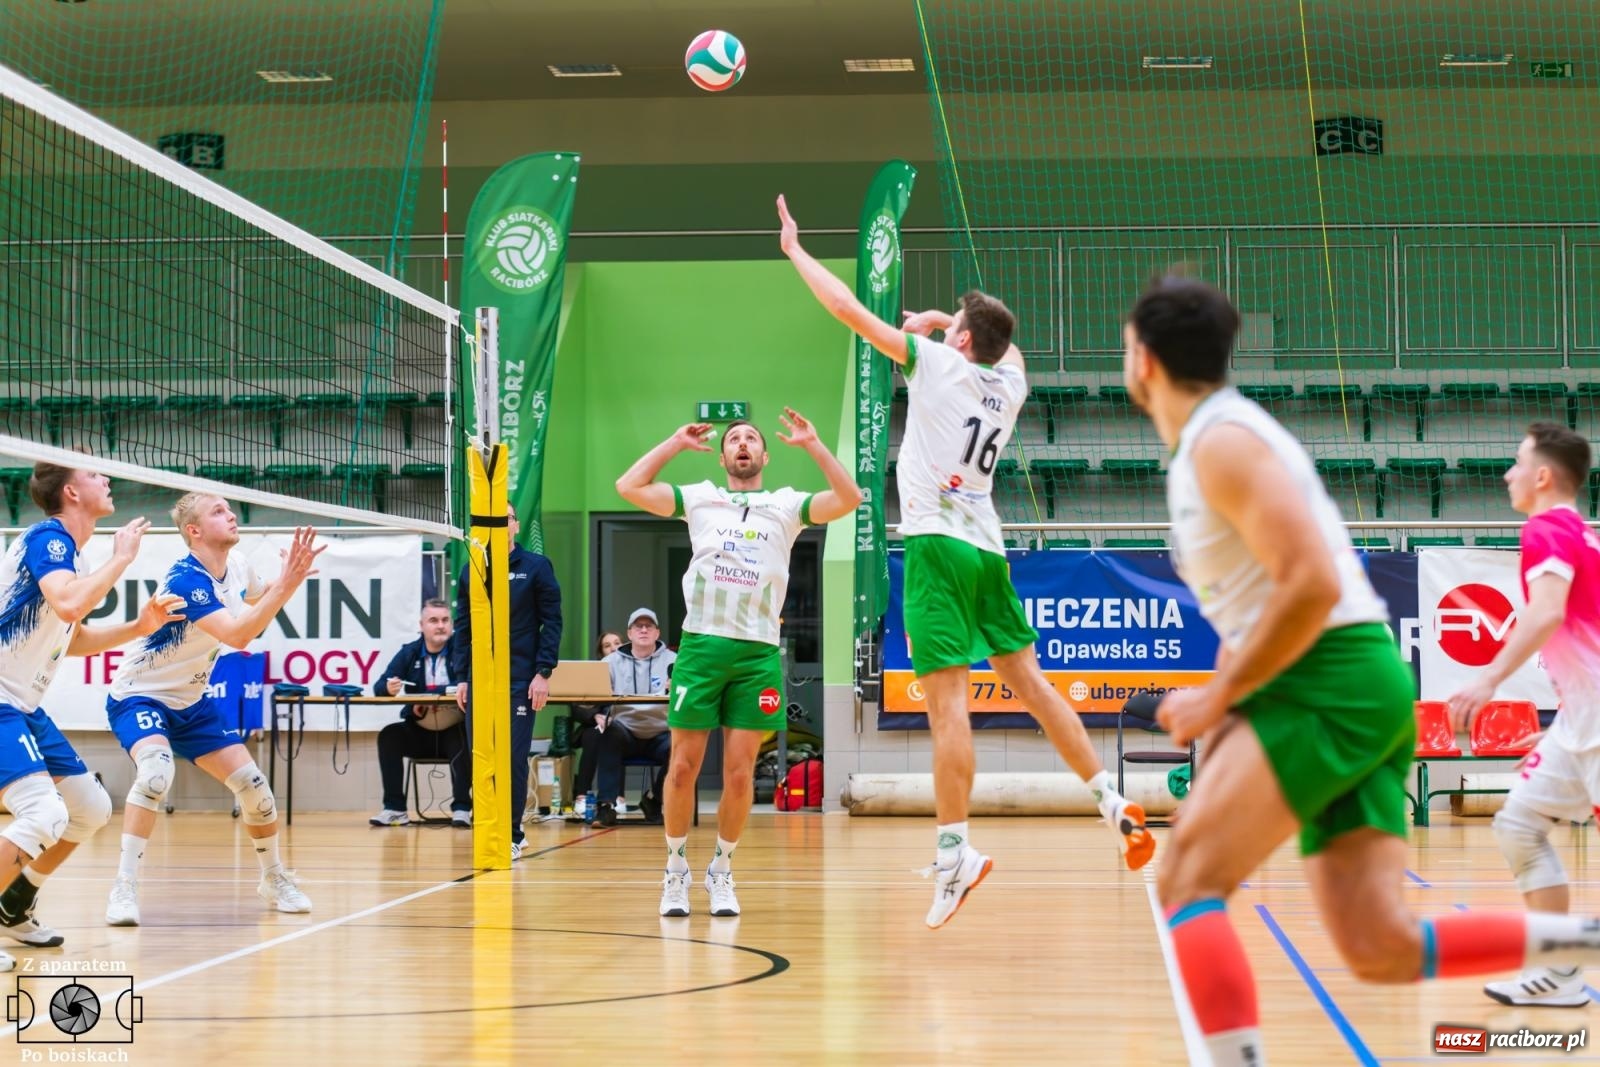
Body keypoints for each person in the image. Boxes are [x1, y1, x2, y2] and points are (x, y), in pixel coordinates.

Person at [1121, 273, 1600, 1065]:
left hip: (1326, 679)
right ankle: (1581, 940)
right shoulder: (1213, 442)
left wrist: (1219, 696)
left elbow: (1308, 582)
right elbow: (1269, 593)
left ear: (1142, 359)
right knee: (1381, 946)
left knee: (1186, 880)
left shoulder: (1222, 441)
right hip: (1349, 680)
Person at [777, 194, 1153, 929]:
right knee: (1033, 685)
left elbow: (848, 308)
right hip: (988, 547)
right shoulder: (1007, 385)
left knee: (948, 704)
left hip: (938, 549)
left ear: (960, 340)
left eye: (954, 326)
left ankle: (956, 854)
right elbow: (1009, 348)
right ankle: (1109, 798)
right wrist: (951, 325)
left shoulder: (935, 366)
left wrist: (796, 250)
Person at [617, 407, 860, 918]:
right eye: (735, 440)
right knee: (682, 768)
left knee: (739, 773)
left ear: (765, 455)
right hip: (703, 647)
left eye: (751, 438)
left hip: (757, 654)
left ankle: (722, 870)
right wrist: (674, 443)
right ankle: (676, 869)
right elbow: (629, 485)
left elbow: (850, 499)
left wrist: (815, 444)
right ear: (725, 454)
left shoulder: (787, 505)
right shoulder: (700, 498)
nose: (743, 444)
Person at [104, 494, 323, 925]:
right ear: (195, 531)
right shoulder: (187, 580)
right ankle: (124, 886)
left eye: (229, 509)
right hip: (140, 694)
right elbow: (239, 636)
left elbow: (256, 613)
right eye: (219, 512)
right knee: (155, 774)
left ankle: (274, 877)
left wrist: (285, 583)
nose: (232, 515)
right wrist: (285, 585)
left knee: (255, 788)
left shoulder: (238, 565)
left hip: (191, 700)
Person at [0, 459, 181, 963]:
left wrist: (139, 625)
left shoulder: (72, 558)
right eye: (95, 474)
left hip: (22, 704)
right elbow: (68, 605)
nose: (107, 479)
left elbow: (73, 637)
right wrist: (121, 558)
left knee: (90, 810)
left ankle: (12, 905)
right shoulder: (50, 540)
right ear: (71, 492)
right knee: (42, 813)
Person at [1444, 424, 1600, 1007]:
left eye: (1516, 462)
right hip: (1582, 721)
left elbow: (1548, 612)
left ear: (1542, 476)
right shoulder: (1575, 532)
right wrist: (1562, 724)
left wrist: (1486, 679)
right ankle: (1560, 974)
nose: (1507, 474)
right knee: (1518, 824)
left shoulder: (1548, 527)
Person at [451, 503, 563, 860]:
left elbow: (552, 623)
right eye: (491, 520)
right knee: (481, 755)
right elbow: (464, 627)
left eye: (506, 519)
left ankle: (512, 832)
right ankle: (488, 825)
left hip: (519, 678)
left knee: (512, 757)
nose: (500, 525)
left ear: (515, 526)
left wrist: (543, 673)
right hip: (479, 679)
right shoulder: (473, 570)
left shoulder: (536, 568)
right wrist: (462, 677)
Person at [369, 599, 468, 828]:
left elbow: (473, 684)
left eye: (445, 620)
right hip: (419, 730)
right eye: (433, 620)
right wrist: (388, 687)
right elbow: (380, 686)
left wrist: (429, 694)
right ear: (421, 625)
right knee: (389, 736)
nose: (440, 626)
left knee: (465, 737)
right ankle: (395, 809)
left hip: (453, 731)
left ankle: (462, 808)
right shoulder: (410, 652)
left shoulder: (462, 652)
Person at [593, 607, 676, 826]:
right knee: (608, 733)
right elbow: (590, 693)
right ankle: (606, 807)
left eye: (649, 626)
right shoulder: (610, 662)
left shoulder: (674, 661)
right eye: (638, 626)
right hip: (625, 731)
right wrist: (598, 715)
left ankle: (654, 800)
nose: (643, 630)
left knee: (681, 745)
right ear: (629, 634)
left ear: (657, 633)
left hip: (660, 732)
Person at [571, 630, 625, 806]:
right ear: (601, 652)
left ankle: (618, 797)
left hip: (624, 722)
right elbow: (576, 708)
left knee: (619, 734)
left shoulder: (631, 670)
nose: (613, 648)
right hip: (594, 724)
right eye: (607, 645)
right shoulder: (592, 673)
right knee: (593, 736)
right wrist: (595, 716)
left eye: (617, 643)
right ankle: (582, 795)